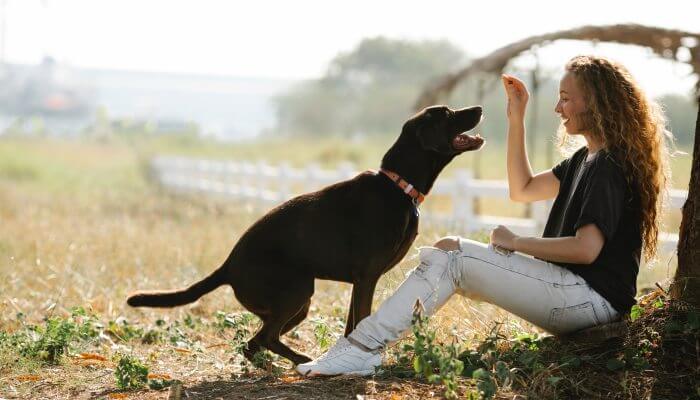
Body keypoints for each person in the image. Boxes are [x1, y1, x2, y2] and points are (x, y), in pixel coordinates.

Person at [296, 55, 671, 376]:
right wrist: (516, 119)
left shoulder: (608, 166)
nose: (558, 109)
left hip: (589, 301)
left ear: (597, 102)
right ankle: (359, 348)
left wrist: (516, 243)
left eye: (565, 99)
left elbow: (586, 250)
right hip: (575, 294)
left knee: (453, 255)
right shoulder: (583, 159)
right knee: (448, 251)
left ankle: (359, 350)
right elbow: (521, 189)